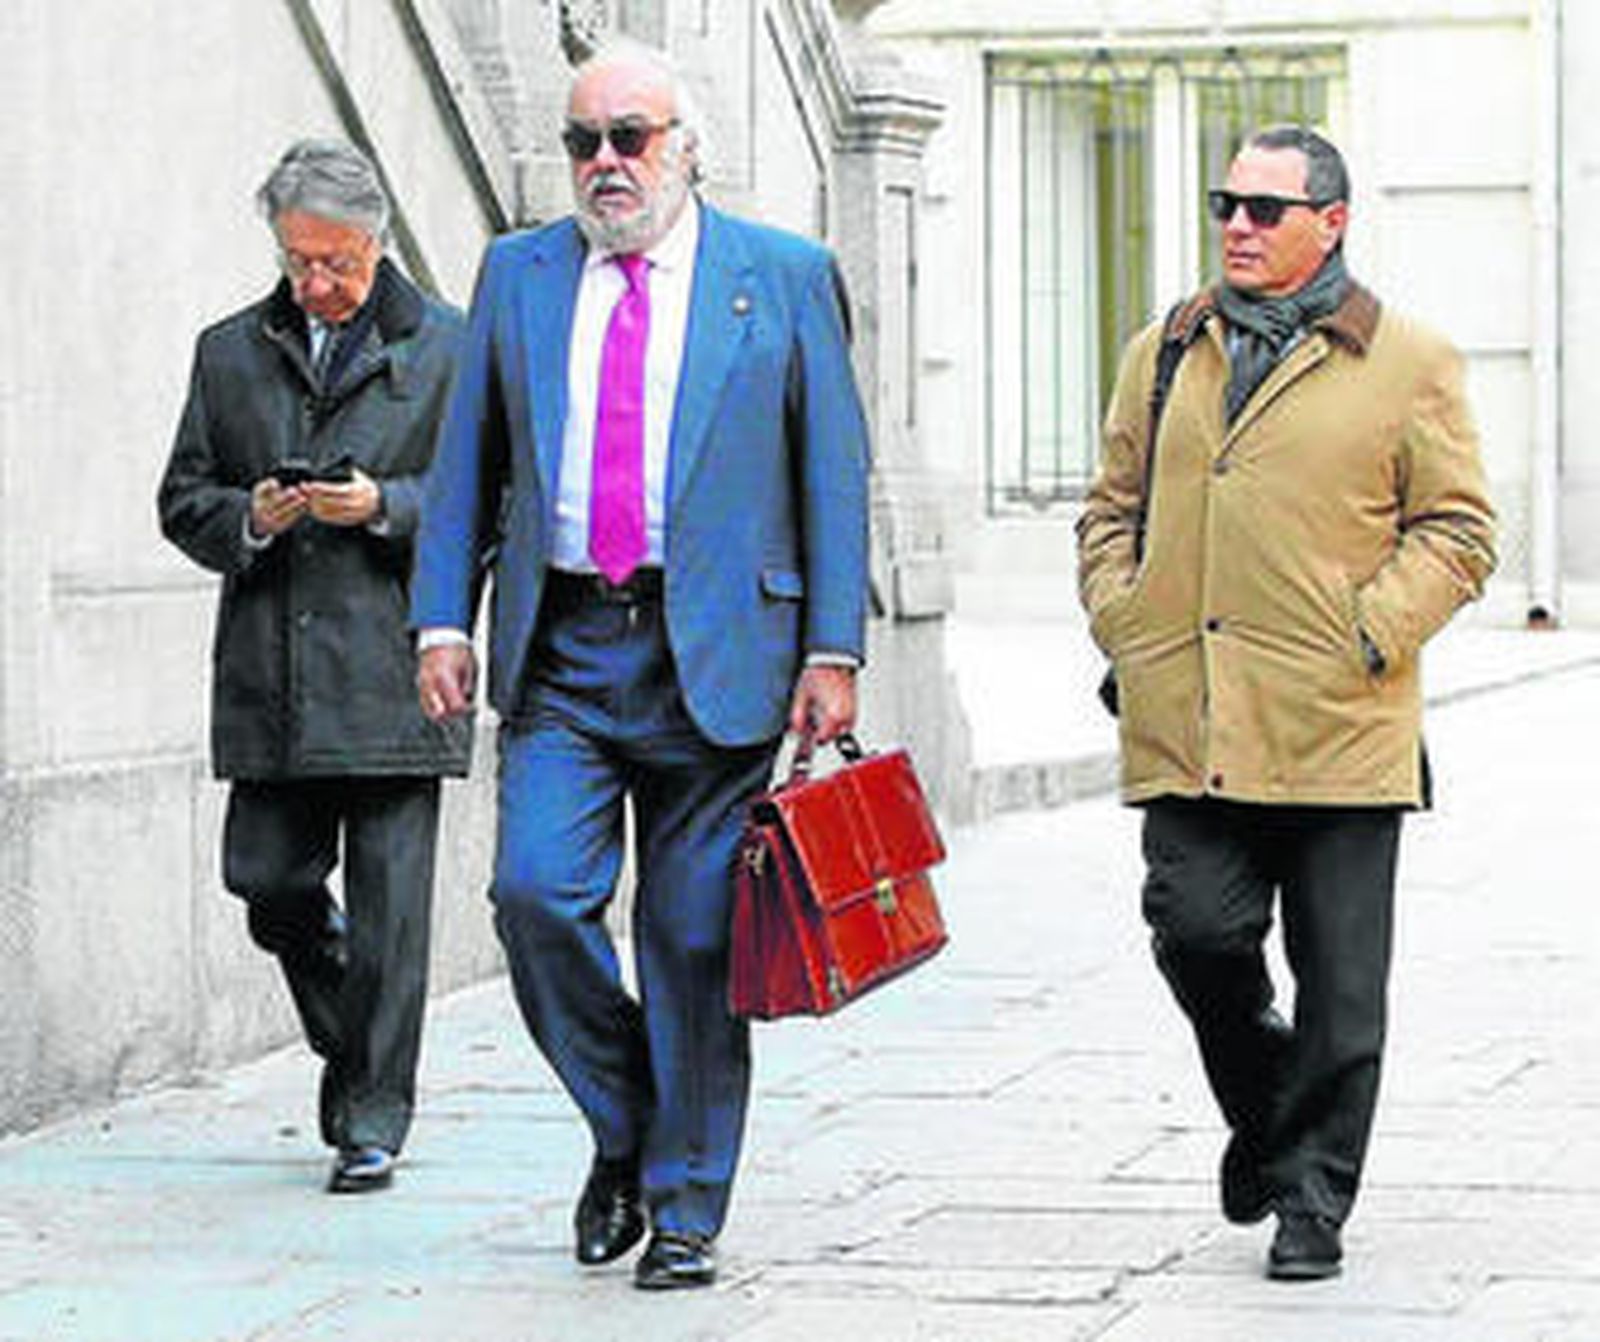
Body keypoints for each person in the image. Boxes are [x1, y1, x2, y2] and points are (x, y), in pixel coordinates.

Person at [410, 42, 870, 1290]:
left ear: (686, 146)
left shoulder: (778, 276)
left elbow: (833, 472)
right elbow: (468, 464)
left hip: (719, 655)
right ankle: (627, 1125)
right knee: (534, 897)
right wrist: (440, 618)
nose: (606, 163)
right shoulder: (518, 275)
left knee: (687, 940)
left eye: (632, 137)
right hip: (563, 646)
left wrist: (834, 647)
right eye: (583, 142)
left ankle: (684, 1205)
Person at [1077, 125, 1496, 1281]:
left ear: (1331, 222)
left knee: (1342, 989)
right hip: (1190, 714)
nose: (1238, 228)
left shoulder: (1406, 358)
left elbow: (1458, 529)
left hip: (1338, 722)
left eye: (1265, 209)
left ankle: (1313, 1195)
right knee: (1198, 937)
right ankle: (1266, 1117)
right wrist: (1125, 617)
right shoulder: (1164, 348)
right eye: (1227, 205)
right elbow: (1109, 507)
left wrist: (1366, 629)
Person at [158, 139, 469, 1195]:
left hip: (393, 669)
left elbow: (492, 504)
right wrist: (248, 512)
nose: (317, 284)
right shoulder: (228, 351)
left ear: (376, 244)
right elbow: (182, 497)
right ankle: (361, 1044)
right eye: (299, 262)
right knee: (266, 879)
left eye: (336, 262)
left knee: (390, 916)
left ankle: (373, 1116)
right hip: (270, 670)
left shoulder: (448, 351)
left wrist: (387, 505)